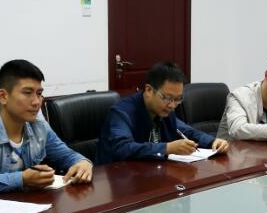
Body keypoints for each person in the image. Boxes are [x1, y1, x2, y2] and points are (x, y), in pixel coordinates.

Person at [0, 60, 93, 198]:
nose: (36, 102)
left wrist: (83, 163)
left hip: (17, 208)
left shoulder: (39, 126)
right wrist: (20, 179)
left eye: (39, 94)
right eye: (27, 93)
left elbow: (67, 156)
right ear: (3, 96)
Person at [96, 61, 229, 164]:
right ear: (149, 90)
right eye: (167, 98)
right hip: (117, 178)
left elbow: (187, 131)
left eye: (178, 99)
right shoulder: (121, 113)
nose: (172, 105)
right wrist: (166, 148)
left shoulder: (164, 110)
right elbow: (123, 148)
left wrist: (212, 142)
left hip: (151, 174)